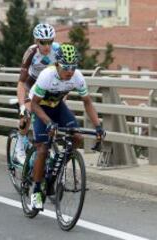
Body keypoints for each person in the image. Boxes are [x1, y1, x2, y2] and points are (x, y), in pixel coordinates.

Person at [29, 43, 105, 210]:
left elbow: (87, 103)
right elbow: (34, 105)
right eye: (66, 67)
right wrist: (48, 123)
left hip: (57, 106)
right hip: (40, 107)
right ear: (57, 64)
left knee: (77, 136)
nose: (70, 71)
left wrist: (98, 126)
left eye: (73, 67)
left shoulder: (77, 77)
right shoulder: (47, 76)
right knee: (42, 148)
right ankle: (36, 190)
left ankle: (58, 163)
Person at [15, 23, 60, 164]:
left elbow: (64, 76)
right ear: (36, 41)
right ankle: (19, 147)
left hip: (48, 86)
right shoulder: (31, 52)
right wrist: (22, 105)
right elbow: (21, 83)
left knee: (52, 116)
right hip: (31, 84)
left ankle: (47, 146)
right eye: (43, 42)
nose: (47, 46)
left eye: (50, 42)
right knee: (26, 115)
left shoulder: (58, 51)